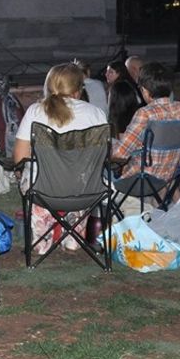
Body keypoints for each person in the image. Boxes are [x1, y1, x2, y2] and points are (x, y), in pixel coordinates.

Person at [12, 64, 109, 253]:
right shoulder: (96, 114)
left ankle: (42, 236)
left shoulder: (35, 111)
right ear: (78, 90)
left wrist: (19, 175)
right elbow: (102, 157)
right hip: (85, 190)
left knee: (29, 174)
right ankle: (74, 234)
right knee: (80, 174)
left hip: (43, 190)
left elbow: (19, 157)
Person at [110, 62, 180, 181]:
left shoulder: (145, 114)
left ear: (144, 90)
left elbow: (120, 154)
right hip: (169, 175)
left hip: (141, 178)